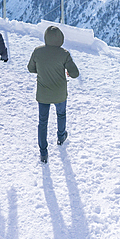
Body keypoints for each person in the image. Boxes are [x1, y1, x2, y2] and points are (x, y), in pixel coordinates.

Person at [28, 25, 79, 164]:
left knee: (42, 122)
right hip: (59, 93)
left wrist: (42, 69)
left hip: (43, 93)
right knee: (61, 114)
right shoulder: (64, 53)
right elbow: (75, 73)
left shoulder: (37, 52)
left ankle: (43, 152)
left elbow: (30, 68)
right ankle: (61, 137)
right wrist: (67, 71)